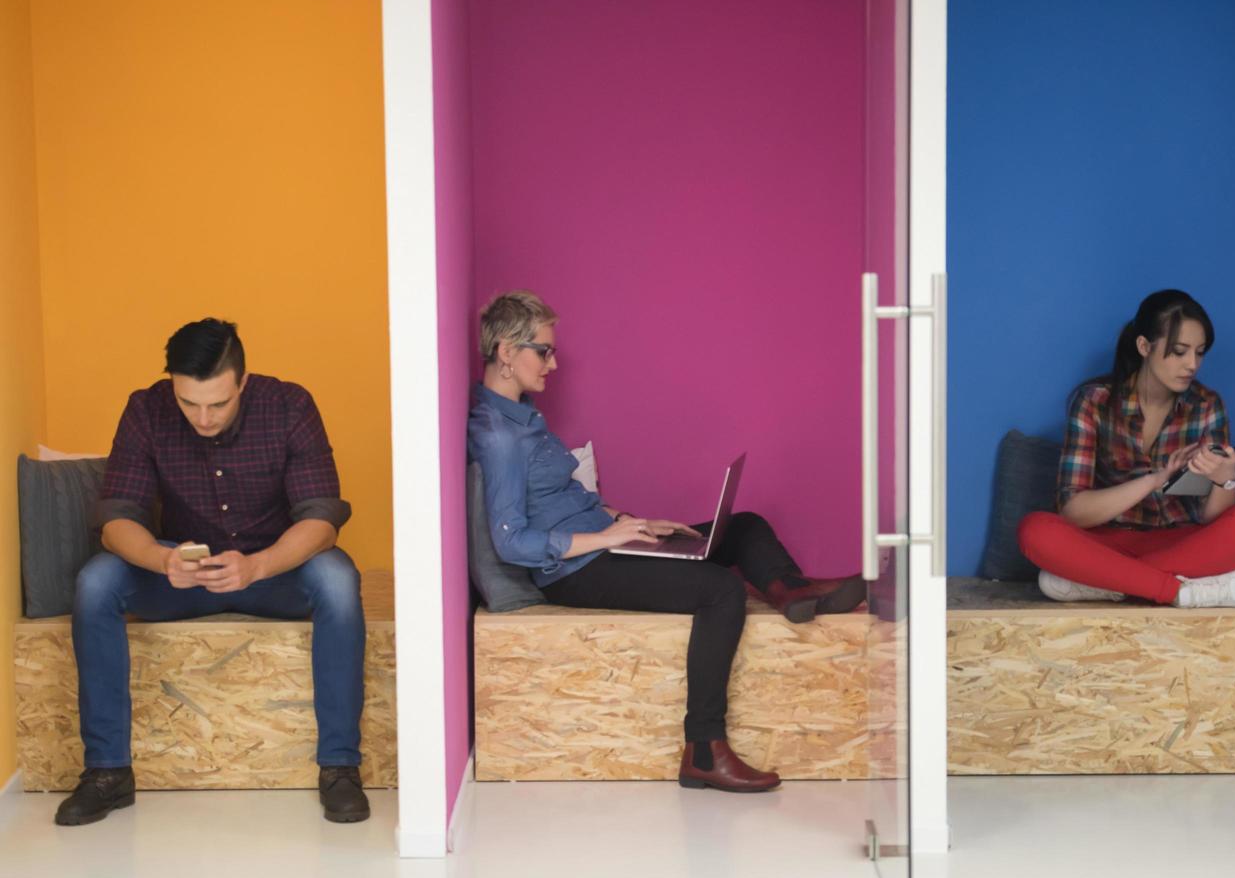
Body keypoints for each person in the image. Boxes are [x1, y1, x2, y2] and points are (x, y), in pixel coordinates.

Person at [468, 291, 865, 793]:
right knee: (720, 590)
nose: (554, 362)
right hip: (574, 572)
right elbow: (512, 542)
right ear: (506, 352)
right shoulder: (499, 436)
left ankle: (793, 593)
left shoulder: (522, 417)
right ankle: (703, 750)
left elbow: (556, 497)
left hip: (602, 544)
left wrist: (633, 522)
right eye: (543, 350)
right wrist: (604, 537)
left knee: (741, 526)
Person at [57, 319, 369, 826]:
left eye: (218, 404)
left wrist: (258, 565)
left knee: (337, 578)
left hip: (272, 572)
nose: (202, 417)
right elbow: (116, 520)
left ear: (242, 382)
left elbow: (321, 520)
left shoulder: (290, 406)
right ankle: (107, 773)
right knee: (96, 581)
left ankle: (339, 767)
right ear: (172, 385)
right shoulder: (145, 409)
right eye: (188, 403)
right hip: (182, 577)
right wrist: (163, 560)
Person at [1018, 289, 1235, 607]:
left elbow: (1214, 518)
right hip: (1105, 542)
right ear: (1144, 346)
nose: (1192, 364)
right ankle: (1179, 592)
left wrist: (1226, 480)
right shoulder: (1094, 402)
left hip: (1180, 543)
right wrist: (1154, 481)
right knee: (1036, 531)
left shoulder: (1207, 405)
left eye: (1200, 352)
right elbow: (1073, 512)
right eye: (1179, 351)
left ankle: (1107, 583)